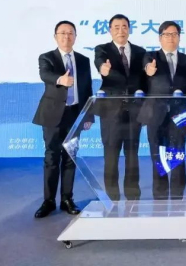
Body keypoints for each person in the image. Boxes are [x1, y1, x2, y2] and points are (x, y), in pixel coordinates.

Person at [32, 21, 93, 218]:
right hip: (52, 115)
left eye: (70, 33)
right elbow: (45, 75)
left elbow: (87, 88)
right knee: (52, 157)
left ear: (75, 36)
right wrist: (61, 79)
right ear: (55, 36)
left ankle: (67, 199)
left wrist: (88, 115)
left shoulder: (83, 60)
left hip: (74, 115)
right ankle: (48, 201)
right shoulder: (47, 57)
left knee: (70, 157)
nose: (67, 36)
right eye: (63, 33)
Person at [138, 21, 186, 200]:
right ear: (160, 38)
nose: (171, 38)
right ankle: (160, 196)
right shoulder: (150, 56)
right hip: (155, 115)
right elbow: (145, 71)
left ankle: (178, 195)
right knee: (158, 157)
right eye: (166, 34)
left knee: (177, 155)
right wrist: (148, 70)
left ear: (179, 37)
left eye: (174, 34)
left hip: (180, 116)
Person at [94, 14, 147, 201]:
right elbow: (99, 61)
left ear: (129, 29)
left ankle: (133, 194)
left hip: (134, 111)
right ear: (110, 30)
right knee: (111, 154)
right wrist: (103, 68)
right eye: (116, 27)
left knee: (132, 154)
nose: (121, 30)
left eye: (124, 26)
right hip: (111, 112)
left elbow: (145, 78)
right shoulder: (103, 49)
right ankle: (112, 196)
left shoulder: (140, 52)